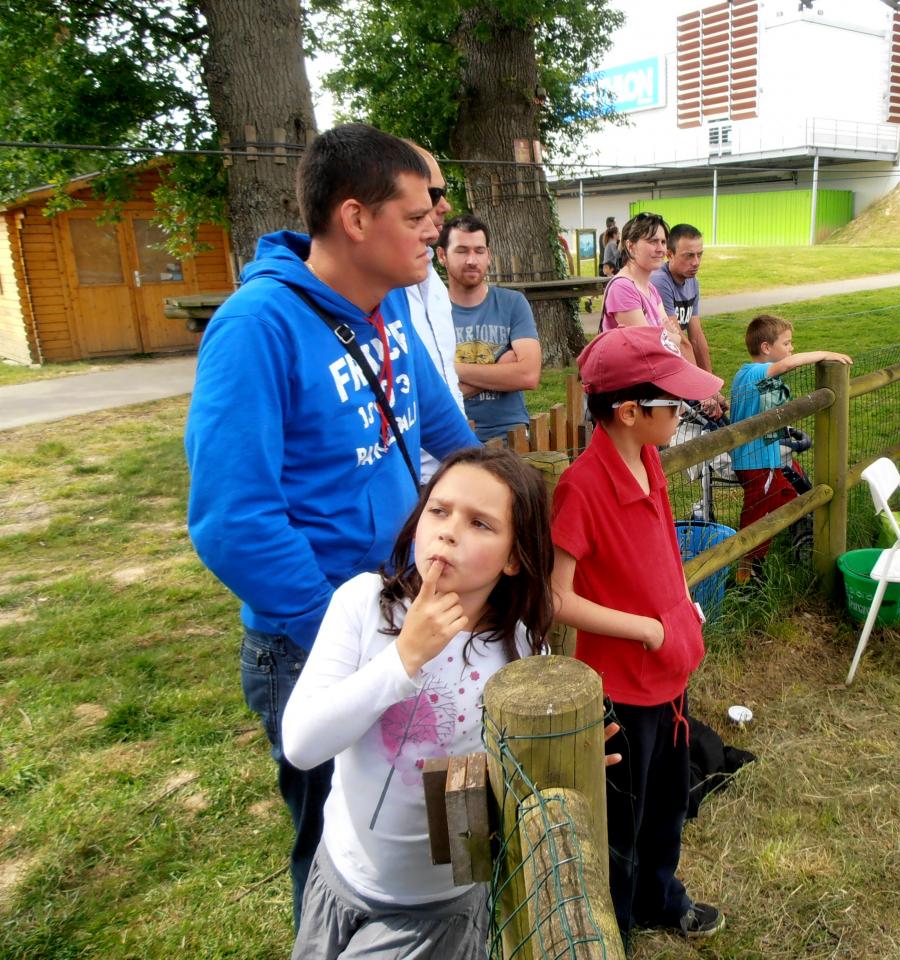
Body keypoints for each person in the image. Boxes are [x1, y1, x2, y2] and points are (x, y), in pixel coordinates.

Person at [185, 123, 479, 926]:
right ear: (356, 218)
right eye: (420, 215)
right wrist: (347, 638)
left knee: (434, 815)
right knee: (338, 848)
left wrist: (507, 512)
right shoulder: (257, 329)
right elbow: (230, 521)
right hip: (316, 639)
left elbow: (450, 438)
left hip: (406, 609)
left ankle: (455, 926)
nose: (437, 231)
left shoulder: (383, 312)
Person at [281, 448, 552, 959]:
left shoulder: (520, 652)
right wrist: (404, 658)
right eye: (439, 510)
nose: (449, 531)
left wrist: (562, 756)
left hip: (435, 909)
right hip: (340, 874)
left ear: (515, 556)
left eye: (480, 524)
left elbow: (500, 788)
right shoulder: (363, 605)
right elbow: (301, 745)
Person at [550, 325, 726, 945]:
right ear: (628, 411)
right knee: (621, 822)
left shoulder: (649, 457)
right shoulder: (583, 486)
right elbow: (558, 596)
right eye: (672, 403)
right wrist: (650, 629)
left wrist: (678, 610)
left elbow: (657, 552)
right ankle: (615, 929)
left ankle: (660, 897)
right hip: (621, 693)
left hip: (668, 677)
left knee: (667, 805)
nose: (681, 412)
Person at [729, 314, 851, 576]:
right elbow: (789, 365)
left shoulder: (756, 376)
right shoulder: (753, 373)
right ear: (766, 348)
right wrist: (826, 354)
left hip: (769, 459)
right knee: (757, 517)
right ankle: (748, 570)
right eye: (787, 343)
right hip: (756, 463)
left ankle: (797, 544)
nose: (791, 349)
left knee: (787, 497)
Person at [440, 214, 541, 444]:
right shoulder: (432, 313)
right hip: (451, 437)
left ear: (489, 256)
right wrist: (500, 367)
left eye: (479, 250)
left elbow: (528, 374)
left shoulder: (512, 303)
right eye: (462, 250)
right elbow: (433, 394)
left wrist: (452, 370)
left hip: (512, 437)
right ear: (441, 256)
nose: (472, 260)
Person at [403, 145, 467, 477]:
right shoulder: (259, 322)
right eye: (433, 194)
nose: (444, 207)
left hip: (438, 475)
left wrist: (475, 468)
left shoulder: (426, 277)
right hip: (410, 479)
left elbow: (432, 396)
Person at [651, 223, 725, 415]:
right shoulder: (660, 281)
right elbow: (680, 341)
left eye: (700, 254)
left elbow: (697, 337)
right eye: (689, 255)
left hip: (677, 367)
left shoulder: (693, 282)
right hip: (658, 374)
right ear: (670, 254)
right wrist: (702, 391)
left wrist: (712, 387)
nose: (696, 262)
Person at [600, 212, 677, 338]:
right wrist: (668, 335)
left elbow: (673, 339)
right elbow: (649, 346)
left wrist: (668, 337)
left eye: (663, 242)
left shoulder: (650, 288)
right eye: (653, 242)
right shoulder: (622, 288)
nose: (661, 249)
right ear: (631, 246)